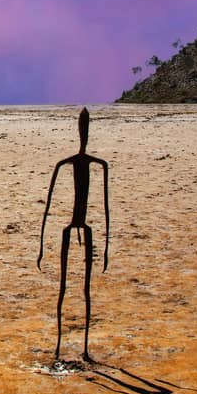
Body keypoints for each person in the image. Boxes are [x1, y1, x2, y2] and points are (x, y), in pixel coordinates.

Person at [38, 107, 110, 362]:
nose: (84, 135)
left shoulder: (97, 163)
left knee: (84, 290)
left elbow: (105, 205)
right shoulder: (73, 162)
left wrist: (106, 249)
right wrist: (41, 247)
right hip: (71, 227)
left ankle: (85, 347)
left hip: (81, 227)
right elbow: (48, 205)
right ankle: (60, 344)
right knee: (65, 288)